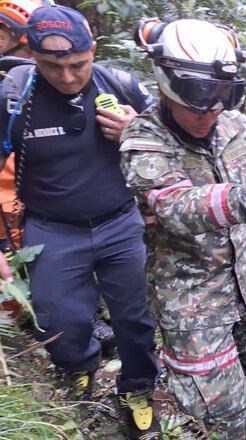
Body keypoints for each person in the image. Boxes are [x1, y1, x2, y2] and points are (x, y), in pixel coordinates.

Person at [121, 18, 246, 440]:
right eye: (196, 102)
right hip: (194, 308)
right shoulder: (144, 137)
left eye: (220, 99)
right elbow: (176, 207)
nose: (208, 113)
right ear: (167, 87)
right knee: (229, 419)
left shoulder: (234, 126)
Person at [0, 4, 160, 440]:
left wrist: (137, 129)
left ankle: (138, 388)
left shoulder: (121, 85)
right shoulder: (14, 97)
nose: (68, 77)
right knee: (59, 320)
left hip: (121, 224)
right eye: (54, 65)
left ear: (93, 50)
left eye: (78, 64)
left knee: (135, 317)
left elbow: (169, 139)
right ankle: (80, 368)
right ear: (31, 53)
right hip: (52, 229)